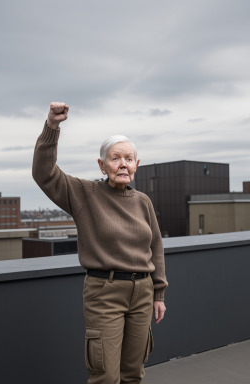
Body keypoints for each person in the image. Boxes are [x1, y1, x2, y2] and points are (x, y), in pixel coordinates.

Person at [32, 102, 168, 384]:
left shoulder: (143, 201)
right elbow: (44, 174)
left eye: (129, 159)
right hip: (104, 292)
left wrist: (159, 294)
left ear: (136, 165)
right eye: (116, 158)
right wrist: (52, 127)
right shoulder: (85, 194)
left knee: (133, 372)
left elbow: (155, 247)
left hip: (142, 292)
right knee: (105, 374)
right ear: (102, 165)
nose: (123, 164)